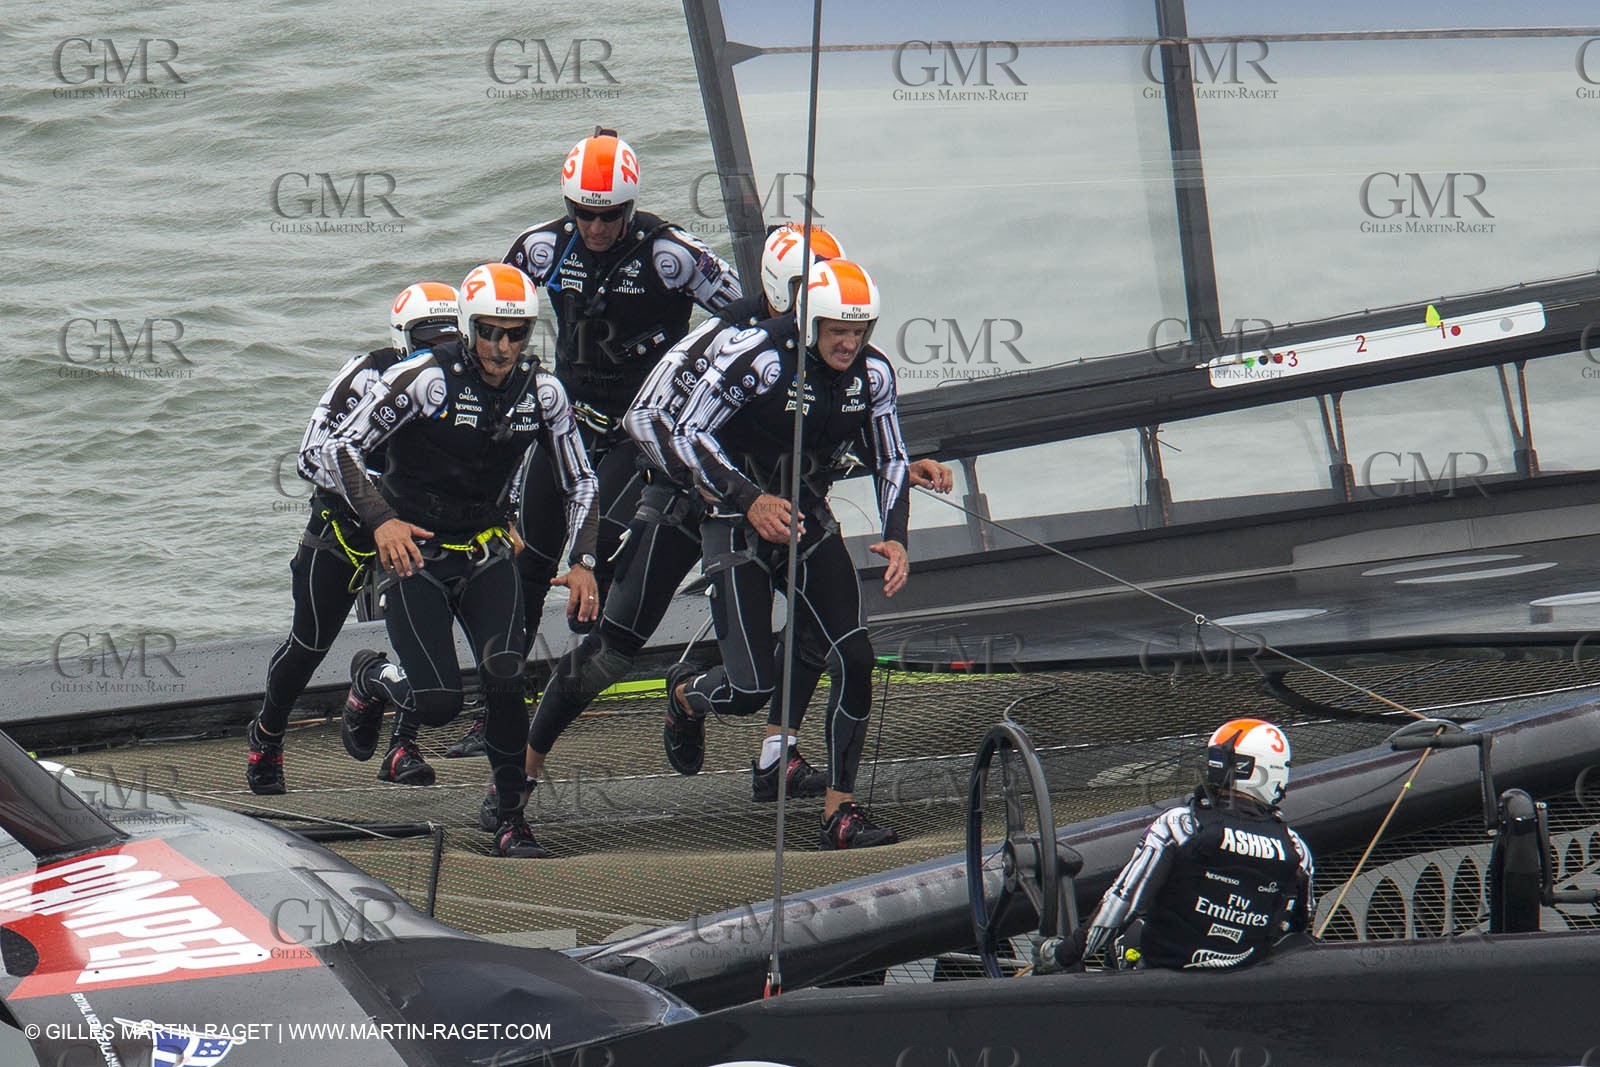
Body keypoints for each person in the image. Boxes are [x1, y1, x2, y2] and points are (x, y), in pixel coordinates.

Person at [325, 262, 599, 858]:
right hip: (414, 556)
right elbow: (340, 445)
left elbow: (581, 482)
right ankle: (371, 678)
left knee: (506, 680)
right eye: (490, 332)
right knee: (439, 704)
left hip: (484, 553)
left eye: (516, 333)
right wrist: (382, 520)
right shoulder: (426, 380)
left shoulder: (544, 392)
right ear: (469, 328)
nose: (502, 348)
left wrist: (582, 559)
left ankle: (508, 818)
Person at [666, 258, 912, 850]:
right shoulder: (760, 357)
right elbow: (685, 432)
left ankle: (839, 813)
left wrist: (897, 532)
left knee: (854, 657)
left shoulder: (872, 375)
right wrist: (750, 501)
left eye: (860, 332)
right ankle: (685, 696)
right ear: (809, 322)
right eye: (837, 332)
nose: (849, 344)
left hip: (806, 522)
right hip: (736, 521)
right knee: (748, 689)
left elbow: (893, 455)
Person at [502, 126, 743, 653]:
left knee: (601, 553)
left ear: (630, 208)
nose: (594, 227)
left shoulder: (671, 254)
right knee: (528, 559)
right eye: (581, 213)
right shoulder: (542, 248)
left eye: (609, 215)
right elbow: (490, 320)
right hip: (568, 423)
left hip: (638, 432)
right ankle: (502, 701)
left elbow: (751, 317)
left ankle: (586, 670)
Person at [245, 283, 459, 795]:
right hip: (344, 527)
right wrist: (378, 502)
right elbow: (309, 456)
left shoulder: (468, 382)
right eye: (427, 340)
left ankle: (402, 745)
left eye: (451, 339)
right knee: (308, 644)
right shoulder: (365, 374)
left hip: (417, 532)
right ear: (403, 339)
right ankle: (268, 735)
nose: (440, 352)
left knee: (429, 640)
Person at [1036, 718, 1314, 973]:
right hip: (1243, 986)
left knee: (1132, 934)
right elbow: (1299, 923)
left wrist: (1062, 955)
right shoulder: (1296, 849)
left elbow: (1122, 904)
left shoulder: (1179, 825)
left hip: (1164, 980)